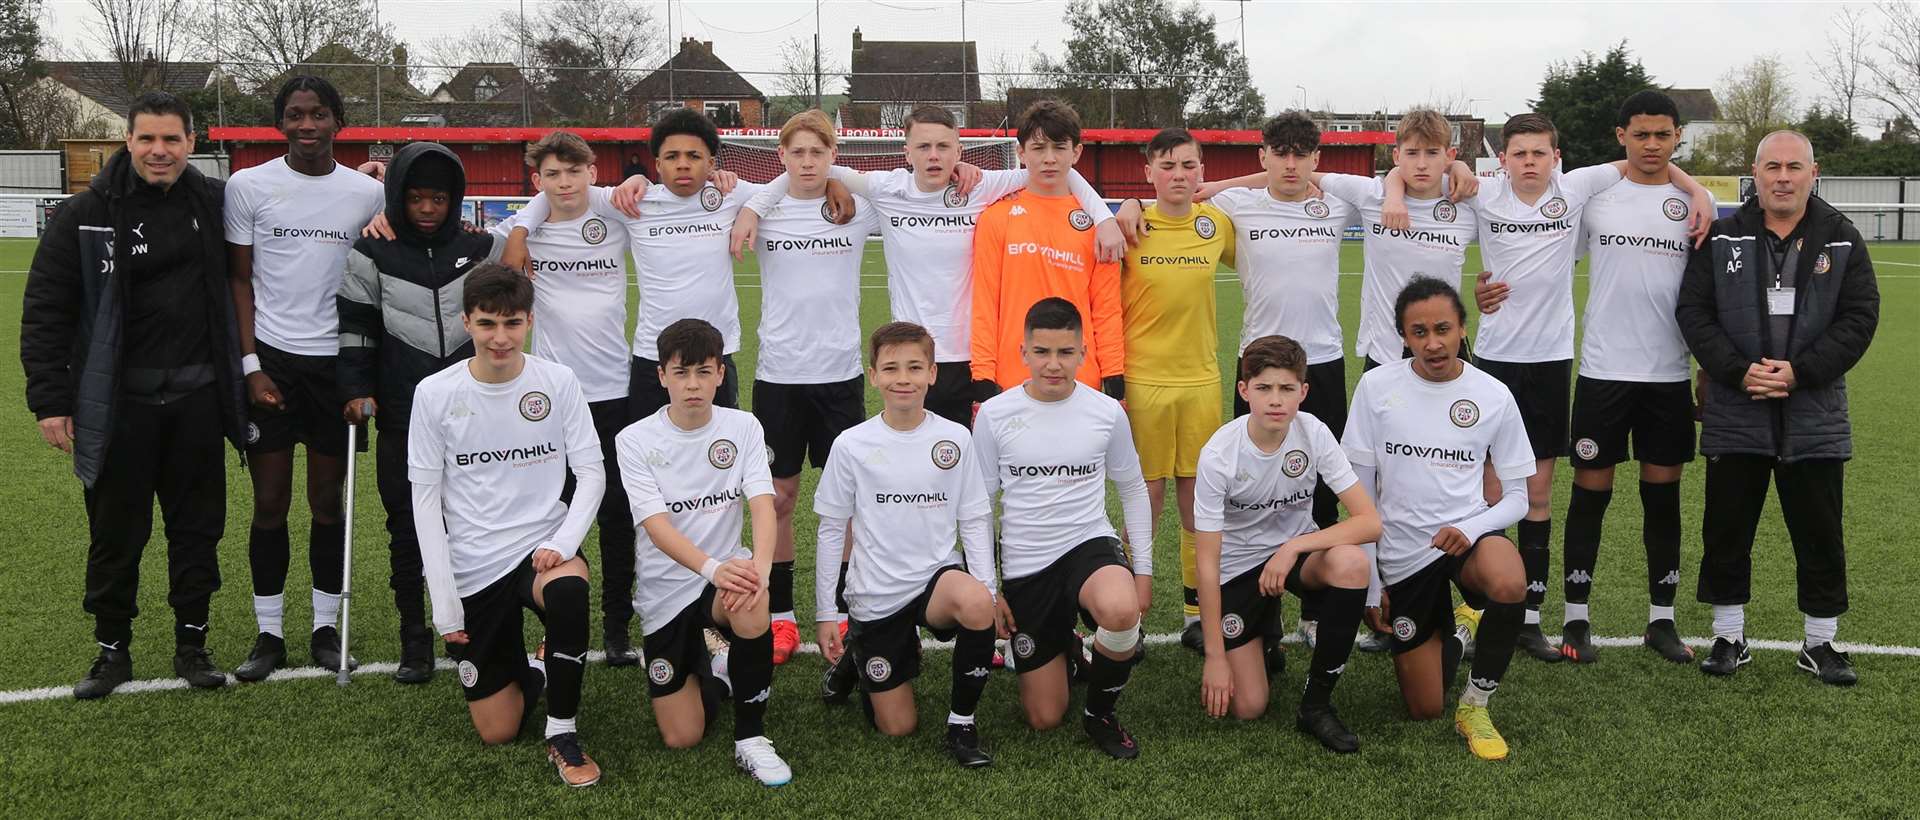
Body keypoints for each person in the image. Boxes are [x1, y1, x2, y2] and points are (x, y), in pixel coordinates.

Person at [1381, 114, 1713, 661]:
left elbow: (1646, 160)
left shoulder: (1577, 187)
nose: (1530, 162)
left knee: (1535, 494)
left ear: (1556, 159)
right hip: (1491, 362)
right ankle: (1474, 608)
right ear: (1503, 160)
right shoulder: (1482, 193)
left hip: (1552, 362)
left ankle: (1529, 616)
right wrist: (1404, 182)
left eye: (1540, 153)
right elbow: (1420, 171)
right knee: (1483, 492)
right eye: (1519, 153)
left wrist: (1696, 186)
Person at [22, 91, 247, 698]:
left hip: (198, 403)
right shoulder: (87, 213)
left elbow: (285, 219)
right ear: (128, 141)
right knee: (116, 534)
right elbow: (46, 309)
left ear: (191, 144)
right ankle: (111, 650)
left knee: (197, 530)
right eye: (147, 138)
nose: (158, 151)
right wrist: (50, 400)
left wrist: (373, 185)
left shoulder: (214, 203)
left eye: (171, 139)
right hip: (120, 406)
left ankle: (193, 644)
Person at [734, 104, 1121, 427]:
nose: (933, 155)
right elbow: (820, 168)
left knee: (974, 471)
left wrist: (1104, 218)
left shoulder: (983, 185)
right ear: (907, 153)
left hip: (973, 358)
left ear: (959, 152)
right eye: (923, 146)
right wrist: (754, 207)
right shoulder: (889, 191)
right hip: (914, 356)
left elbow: (1056, 169)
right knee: (913, 462)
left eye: (943, 146)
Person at [1676, 130, 1879, 685]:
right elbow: (1694, 313)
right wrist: (1739, 373)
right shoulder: (1721, 236)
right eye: (1773, 167)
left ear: (1814, 174)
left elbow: (1860, 319)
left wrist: (1800, 372)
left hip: (1813, 413)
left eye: (1794, 166)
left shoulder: (1842, 237)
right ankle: (1728, 636)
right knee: (1726, 529)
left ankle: (1820, 643)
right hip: (1736, 410)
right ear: (1755, 174)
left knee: (1819, 531)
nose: (1783, 176)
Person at [502, 107, 852, 421]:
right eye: (671, 156)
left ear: (712, 163)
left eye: (693, 155)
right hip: (652, 357)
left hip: (715, 354)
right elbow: (565, 188)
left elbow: (789, 180)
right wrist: (519, 231)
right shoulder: (635, 202)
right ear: (657, 164)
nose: (682, 163)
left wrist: (834, 179)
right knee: (646, 463)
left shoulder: (730, 195)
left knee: (719, 461)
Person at [408, 264, 604, 785]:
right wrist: (445, 602)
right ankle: (533, 669)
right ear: (466, 321)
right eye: (488, 323)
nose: (500, 337)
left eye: (512, 324)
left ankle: (562, 732)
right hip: (475, 560)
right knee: (497, 730)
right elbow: (425, 502)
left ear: (530, 322)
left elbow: (591, 474)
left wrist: (563, 543)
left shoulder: (557, 381)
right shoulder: (433, 394)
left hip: (542, 547)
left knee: (567, 595)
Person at [224, 75, 386, 680]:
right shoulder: (248, 186)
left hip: (335, 367)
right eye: (295, 115)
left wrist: (361, 378)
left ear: (338, 121)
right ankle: (268, 634)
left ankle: (323, 627)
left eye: (319, 113)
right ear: (280, 123)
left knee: (325, 501)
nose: (307, 125)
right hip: (272, 360)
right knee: (268, 502)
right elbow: (238, 281)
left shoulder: (364, 195)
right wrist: (251, 368)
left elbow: (375, 285)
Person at [1343, 277, 1534, 761]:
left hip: (1466, 540)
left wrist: (1470, 527)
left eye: (1443, 329)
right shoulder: (1376, 387)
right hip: (1404, 555)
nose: (1433, 342)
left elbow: (1518, 498)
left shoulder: (1492, 395)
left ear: (1462, 329)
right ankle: (1460, 629)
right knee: (1424, 707)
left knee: (1510, 580)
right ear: (1403, 337)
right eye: (1419, 331)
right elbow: (1361, 495)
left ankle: (1476, 704)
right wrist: (1371, 581)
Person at [338, 141, 505, 683]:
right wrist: (356, 389)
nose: (428, 209)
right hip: (402, 415)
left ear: (454, 198)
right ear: (397, 199)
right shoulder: (372, 252)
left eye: (438, 198)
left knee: (471, 528)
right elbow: (357, 328)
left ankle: (471, 628)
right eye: (415, 199)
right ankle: (415, 639)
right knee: (407, 528)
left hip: (475, 417)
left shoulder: (481, 247)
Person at [484, 131, 644, 666]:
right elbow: (500, 266)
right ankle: (561, 623)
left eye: (574, 172)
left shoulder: (612, 207)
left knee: (619, 515)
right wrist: (526, 225)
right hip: (554, 398)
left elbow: (653, 190)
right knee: (556, 514)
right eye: (552, 175)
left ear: (592, 173)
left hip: (615, 390)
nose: (564, 183)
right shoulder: (521, 227)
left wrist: (642, 178)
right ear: (537, 181)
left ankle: (619, 625)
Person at [729, 110, 882, 664]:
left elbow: (909, 194)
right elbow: (728, 189)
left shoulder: (856, 208)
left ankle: (843, 610)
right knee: (781, 498)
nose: (809, 163)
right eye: (798, 153)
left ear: (832, 154)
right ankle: (782, 617)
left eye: (820, 153)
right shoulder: (762, 206)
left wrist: (842, 180)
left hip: (840, 377)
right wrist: (751, 205)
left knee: (846, 500)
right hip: (779, 377)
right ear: (782, 157)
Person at [812, 322, 1000, 767]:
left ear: (933, 373)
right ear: (872, 375)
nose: (903, 378)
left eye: (915, 367)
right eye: (891, 367)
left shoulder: (954, 439)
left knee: (976, 604)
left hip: (935, 581)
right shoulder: (852, 445)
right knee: (898, 727)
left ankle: (961, 724)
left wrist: (989, 591)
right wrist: (826, 613)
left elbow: (973, 517)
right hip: (877, 594)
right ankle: (860, 656)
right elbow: (831, 529)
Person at [973, 298, 1153, 759]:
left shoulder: (1106, 411)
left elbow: (1132, 488)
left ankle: (1101, 715)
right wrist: (990, 589)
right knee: (1044, 717)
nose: (1053, 364)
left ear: (1083, 353)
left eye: (1065, 352)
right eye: (1042, 352)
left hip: (1086, 543)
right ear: (1023, 353)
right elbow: (977, 507)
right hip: (1027, 561)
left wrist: (1144, 572)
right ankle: (1068, 648)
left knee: (1119, 609)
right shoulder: (994, 415)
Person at [1560, 90, 1705, 663]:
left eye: (1663, 135)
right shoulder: (1596, 195)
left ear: (1677, 138)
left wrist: (1695, 189)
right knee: (1591, 494)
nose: (1652, 145)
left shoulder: (1693, 206)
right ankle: (1575, 620)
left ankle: (1661, 622)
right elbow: (1552, 261)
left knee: (1662, 498)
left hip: (1668, 375)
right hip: (1603, 371)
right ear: (1621, 135)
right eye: (1640, 134)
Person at [615, 319, 791, 786]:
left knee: (752, 599)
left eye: (703, 372)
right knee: (682, 736)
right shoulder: (634, 440)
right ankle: (713, 667)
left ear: (720, 375)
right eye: (681, 373)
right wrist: (713, 569)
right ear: (662, 376)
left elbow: (762, 503)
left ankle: (751, 740)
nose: (692, 384)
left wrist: (761, 572)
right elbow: (656, 527)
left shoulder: (743, 426)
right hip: (667, 591)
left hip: (724, 580)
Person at [1193, 335, 1380, 753]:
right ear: (1244, 391)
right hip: (1238, 566)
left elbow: (1369, 522)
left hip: (1295, 555)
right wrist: (1215, 656)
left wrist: (1293, 547)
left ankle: (1316, 706)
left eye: (1286, 389)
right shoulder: (1219, 455)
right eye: (1263, 388)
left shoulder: (1312, 433)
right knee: (1249, 706)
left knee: (1351, 563)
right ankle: (1263, 635)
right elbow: (1206, 563)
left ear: (1303, 392)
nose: (1275, 400)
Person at [1110, 128, 1237, 654]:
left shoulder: (1218, 225)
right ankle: (1126, 614)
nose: (1178, 175)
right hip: (1144, 381)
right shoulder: (1131, 226)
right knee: (1147, 497)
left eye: (1188, 165)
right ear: (1148, 173)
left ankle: (1193, 610)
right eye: (1167, 166)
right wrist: (1126, 206)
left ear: (1202, 171)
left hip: (1202, 381)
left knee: (1196, 496)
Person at [970, 100, 1126, 404]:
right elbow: (985, 307)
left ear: (1077, 152)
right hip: (1012, 381)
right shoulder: (995, 218)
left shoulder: (1099, 226)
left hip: (1082, 380)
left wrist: (1114, 378)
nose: (1050, 159)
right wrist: (982, 378)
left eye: (1059, 147)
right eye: (1039, 148)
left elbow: (1106, 309)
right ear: (1021, 153)